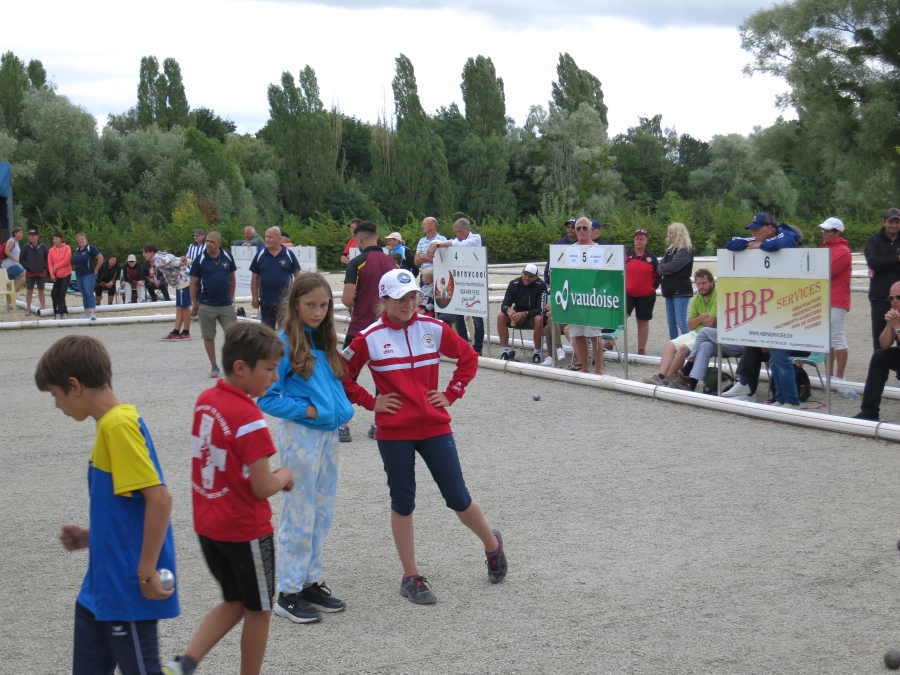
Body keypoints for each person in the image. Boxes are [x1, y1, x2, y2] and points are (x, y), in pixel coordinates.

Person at [342, 268, 508, 604]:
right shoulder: (368, 337)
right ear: (384, 301)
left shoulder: (434, 328)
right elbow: (341, 375)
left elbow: (468, 358)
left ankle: (493, 545)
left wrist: (451, 393)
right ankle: (411, 576)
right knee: (403, 501)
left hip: (434, 426)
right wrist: (371, 401)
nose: (408, 304)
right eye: (400, 298)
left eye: (413, 297)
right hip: (394, 431)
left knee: (458, 497)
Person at [35, 335, 179, 675]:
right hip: (99, 587)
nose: (57, 406)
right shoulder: (108, 426)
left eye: (55, 395)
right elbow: (127, 507)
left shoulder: (118, 425)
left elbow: (160, 499)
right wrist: (92, 535)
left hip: (125, 588)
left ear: (74, 385)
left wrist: (145, 571)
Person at [162, 322, 293, 675]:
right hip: (245, 529)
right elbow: (262, 486)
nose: (274, 377)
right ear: (241, 368)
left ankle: (184, 663)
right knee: (260, 610)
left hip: (209, 525)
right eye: (268, 369)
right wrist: (286, 475)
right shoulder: (249, 417)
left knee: (235, 600)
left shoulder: (206, 400)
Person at [257, 274, 354, 624]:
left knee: (322, 510)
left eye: (324, 305)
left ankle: (309, 581)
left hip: (327, 436)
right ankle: (288, 591)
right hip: (300, 436)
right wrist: (306, 410)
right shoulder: (282, 345)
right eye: (310, 304)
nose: (317, 311)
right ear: (295, 305)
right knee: (299, 511)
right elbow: (266, 396)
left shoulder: (325, 342)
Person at [724, 212, 803, 408]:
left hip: (788, 306)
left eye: (757, 229)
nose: (754, 233)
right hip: (772, 308)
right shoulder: (761, 237)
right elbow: (731, 243)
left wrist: (761, 245)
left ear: (769, 228)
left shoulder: (786, 232)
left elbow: (785, 243)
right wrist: (752, 243)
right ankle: (781, 398)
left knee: (781, 358)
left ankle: (792, 400)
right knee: (775, 360)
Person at [341, 220, 397, 441]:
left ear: (359, 239)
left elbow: (346, 300)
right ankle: (378, 424)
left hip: (360, 329)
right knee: (384, 377)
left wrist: (358, 296)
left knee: (345, 374)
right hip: (386, 329)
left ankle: (342, 425)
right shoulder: (393, 264)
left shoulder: (357, 262)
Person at [641, 269, 718, 385]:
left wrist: (698, 319)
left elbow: (711, 323)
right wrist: (702, 317)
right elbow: (690, 325)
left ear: (712, 282)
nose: (701, 287)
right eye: (698, 284)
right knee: (669, 344)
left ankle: (667, 378)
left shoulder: (718, 297)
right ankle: (661, 375)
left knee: (682, 348)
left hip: (709, 335)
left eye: (704, 283)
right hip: (697, 332)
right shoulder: (697, 297)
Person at [431, 218, 485, 355]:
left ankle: (478, 347)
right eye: (455, 232)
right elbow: (453, 244)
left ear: (467, 229)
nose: (458, 234)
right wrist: (437, 245)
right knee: (458, 315)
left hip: (475, 282)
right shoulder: (457, 240)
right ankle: (463, 345)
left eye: (460, 231)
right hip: (461, 281)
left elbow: (461, 246)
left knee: (477, 316)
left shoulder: (475, 238)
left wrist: (436, 244)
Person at [190, 231, 237, 379]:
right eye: (207, 241)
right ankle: (214, 365)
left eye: (211, 242)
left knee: (234, 336)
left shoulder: (227, 256)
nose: (208, 244)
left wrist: (231, 297)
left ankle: (232, 365)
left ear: (218, 244)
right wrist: (195, 305)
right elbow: (193, 283)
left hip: (225, 304)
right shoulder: (201, 258)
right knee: (208, 336)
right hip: (206, 303)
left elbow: (232, 278)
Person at [853, 281, 900, 421]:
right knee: (880, 356)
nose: (894, 301)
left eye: (899, 297)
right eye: (891, 298)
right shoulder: (895, 314)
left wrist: (897, 326)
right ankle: (869, 411)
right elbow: (884, 345)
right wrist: (890, 325)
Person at [566, 217, 605, 374]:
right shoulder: (569, 250)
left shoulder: (600, 250)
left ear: (591, 230)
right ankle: (585, 367)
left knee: (595, 334)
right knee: (578, 333)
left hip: (594, 297)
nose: (581, 231)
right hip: (575, 297)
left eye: (584, 228)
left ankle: (598, 370)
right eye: (578, 228)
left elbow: (606, 277)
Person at [250, 226, 301, 329]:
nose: (267, 239)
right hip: (266, 301)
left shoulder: (288, 254)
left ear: (279, 239)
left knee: (285, 332)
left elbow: (298, 276)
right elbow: (254, 278)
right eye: (266, 237)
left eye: (270, 237)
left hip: (284, 302)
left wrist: (296, 296)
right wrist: (255, 297)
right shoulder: (260, 255)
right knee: (267, 334)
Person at [820, 217, 852, 380]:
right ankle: (829, 374)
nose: (824, 233)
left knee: (837, 336)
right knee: (828, 337)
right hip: (827, 297)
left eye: (827, 230)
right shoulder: (829, 248)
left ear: (837, 233)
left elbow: (828, 271)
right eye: (823, 230)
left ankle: (839, 377)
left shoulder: (842, 251)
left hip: (838, 298)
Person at [865, 208, 900, 352]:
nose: (894, 225)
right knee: (880, 341)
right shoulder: (874, 240)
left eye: (897, 222)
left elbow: (879, 262)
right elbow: (873, 262)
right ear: (884, 222)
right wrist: (897, 259)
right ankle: (878, 373)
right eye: (891, 221)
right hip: (880, 296)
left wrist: (884, 263)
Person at [666, 327, 744, 392]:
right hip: (730, 338)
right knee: (705, 345)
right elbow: (691, 324)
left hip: (745, 341)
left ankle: (686, 371)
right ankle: (692, 384)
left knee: (704, 331)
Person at [498, 263, 547, 363]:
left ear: (536, 277)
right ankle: (505, 351)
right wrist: (509, 310)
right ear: (522, 272)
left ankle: (537, 352)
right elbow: (504, 305)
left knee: (539, 318)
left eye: (530, 276)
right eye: (525, 275)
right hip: (517, 316)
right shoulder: (514, 283)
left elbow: (541, 309)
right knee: (501, 316)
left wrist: (525, 313)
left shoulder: (541, 286)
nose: (527, 278)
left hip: (533, 316)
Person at [143, 243, 191, 339]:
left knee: (184, 307)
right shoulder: (161, 255)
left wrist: (180, 262)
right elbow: (175, 259)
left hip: (183, 281)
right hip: (179, 282)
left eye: (145, 252)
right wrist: (186, 261)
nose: (143, 254)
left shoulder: (158, 259)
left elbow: (171, 261)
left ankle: (186, 332)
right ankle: (176, 331)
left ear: (152, 252)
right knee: (179, 307)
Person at [657, 222, 694, 340]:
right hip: (669, 289)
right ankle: (674, 347)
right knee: (671, 323)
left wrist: (667, 269)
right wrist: (666, 269)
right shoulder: (670, 251)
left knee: (681, 322)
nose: (668, 235)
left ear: (678, 234)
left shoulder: (685, 250)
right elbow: (660, 268)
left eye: (671, 233)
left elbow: (671, 267)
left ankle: (691, 348)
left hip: (680, 290)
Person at [625, 228, 660, 356]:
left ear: (646, 241)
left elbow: (658, 275)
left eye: (642, 239)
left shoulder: (652, 258)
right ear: (633, 240)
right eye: (636, 238)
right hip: (628, 294)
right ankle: (610, 342)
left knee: (643, 321)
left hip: (646, 296)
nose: (639, 241)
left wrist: (652, 288)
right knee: (621, 317)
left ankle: (641, 349)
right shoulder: (626, 255)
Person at [73, 232, 103, 321]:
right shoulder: (77, 250)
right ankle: (86, 313)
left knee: (89, 293)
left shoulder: (91, 248)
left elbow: (100, 258)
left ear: (86, 240)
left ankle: (93, 312)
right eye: (79, 240)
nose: (80, 241)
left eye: (82, 239)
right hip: (79, 274)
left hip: (89, 274)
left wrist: (96, 269)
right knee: (84, 294)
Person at [20, 228, 49, 316]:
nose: (31, 237)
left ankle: (43, 307)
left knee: (41, 290)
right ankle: (28, 308)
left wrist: (44, 267)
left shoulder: (43, 246)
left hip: (40, 272)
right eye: (30, 235)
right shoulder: (26, 247)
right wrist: (27, 267)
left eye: (33, 235)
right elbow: (21, 259)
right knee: (29, 290)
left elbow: (48, 258)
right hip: (30, 272)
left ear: (37, 236)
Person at [48, 231, 72, 319]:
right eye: (54, 239)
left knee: (62, 293)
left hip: (66, 274)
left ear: (61, 239)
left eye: (57, 239)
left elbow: (67, 260)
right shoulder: (51, 250)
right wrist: (52, 274)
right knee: (56, 293)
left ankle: (59, 312)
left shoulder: (66, 248)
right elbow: (50, 263)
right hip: (56, 275)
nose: (55, 240)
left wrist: (57, 266)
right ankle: (63, 310)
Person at [2, 227, 25, 308]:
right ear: (15, 233)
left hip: (12, 264)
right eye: (20, 232)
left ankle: (9, 304)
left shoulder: (16, 242)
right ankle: (16, 293)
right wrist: (15, 259)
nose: (21, 234)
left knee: (12, 284)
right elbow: (6, 251)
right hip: (10, 264)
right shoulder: (11, 240)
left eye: (22, 233)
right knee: (25, 275)